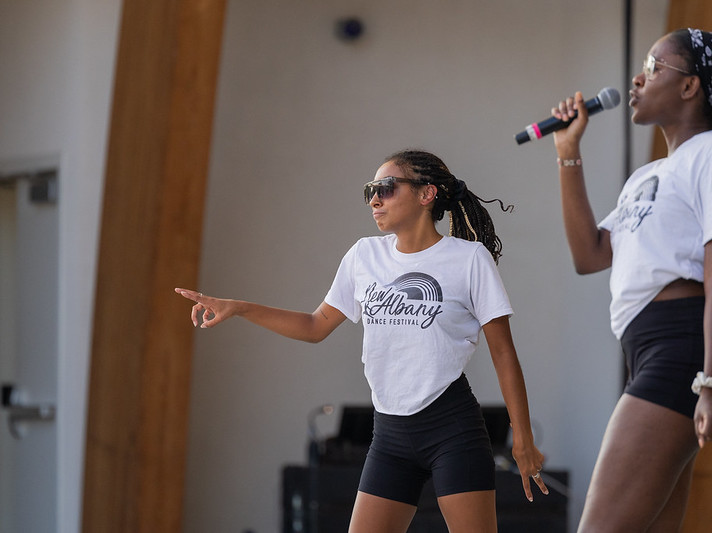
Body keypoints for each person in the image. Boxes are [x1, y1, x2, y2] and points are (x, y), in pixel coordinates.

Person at [176, 149, 548, 533]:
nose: (374, 199)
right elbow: (314, 326)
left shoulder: (469, 259)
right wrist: (239, 308)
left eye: (386, 188)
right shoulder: (363, 256)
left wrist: (523, 438)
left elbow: (504, 354)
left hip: (451, 429)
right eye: (370, 190)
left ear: (426, 194)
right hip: (389, 437)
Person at [547, 29, 712, 532]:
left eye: (655, 68)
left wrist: (711, 382)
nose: (638, 77)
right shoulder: (647, 176)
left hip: (684, 350)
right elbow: (590, 255)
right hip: (648, 351)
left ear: (689, 87)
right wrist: (569, 152)